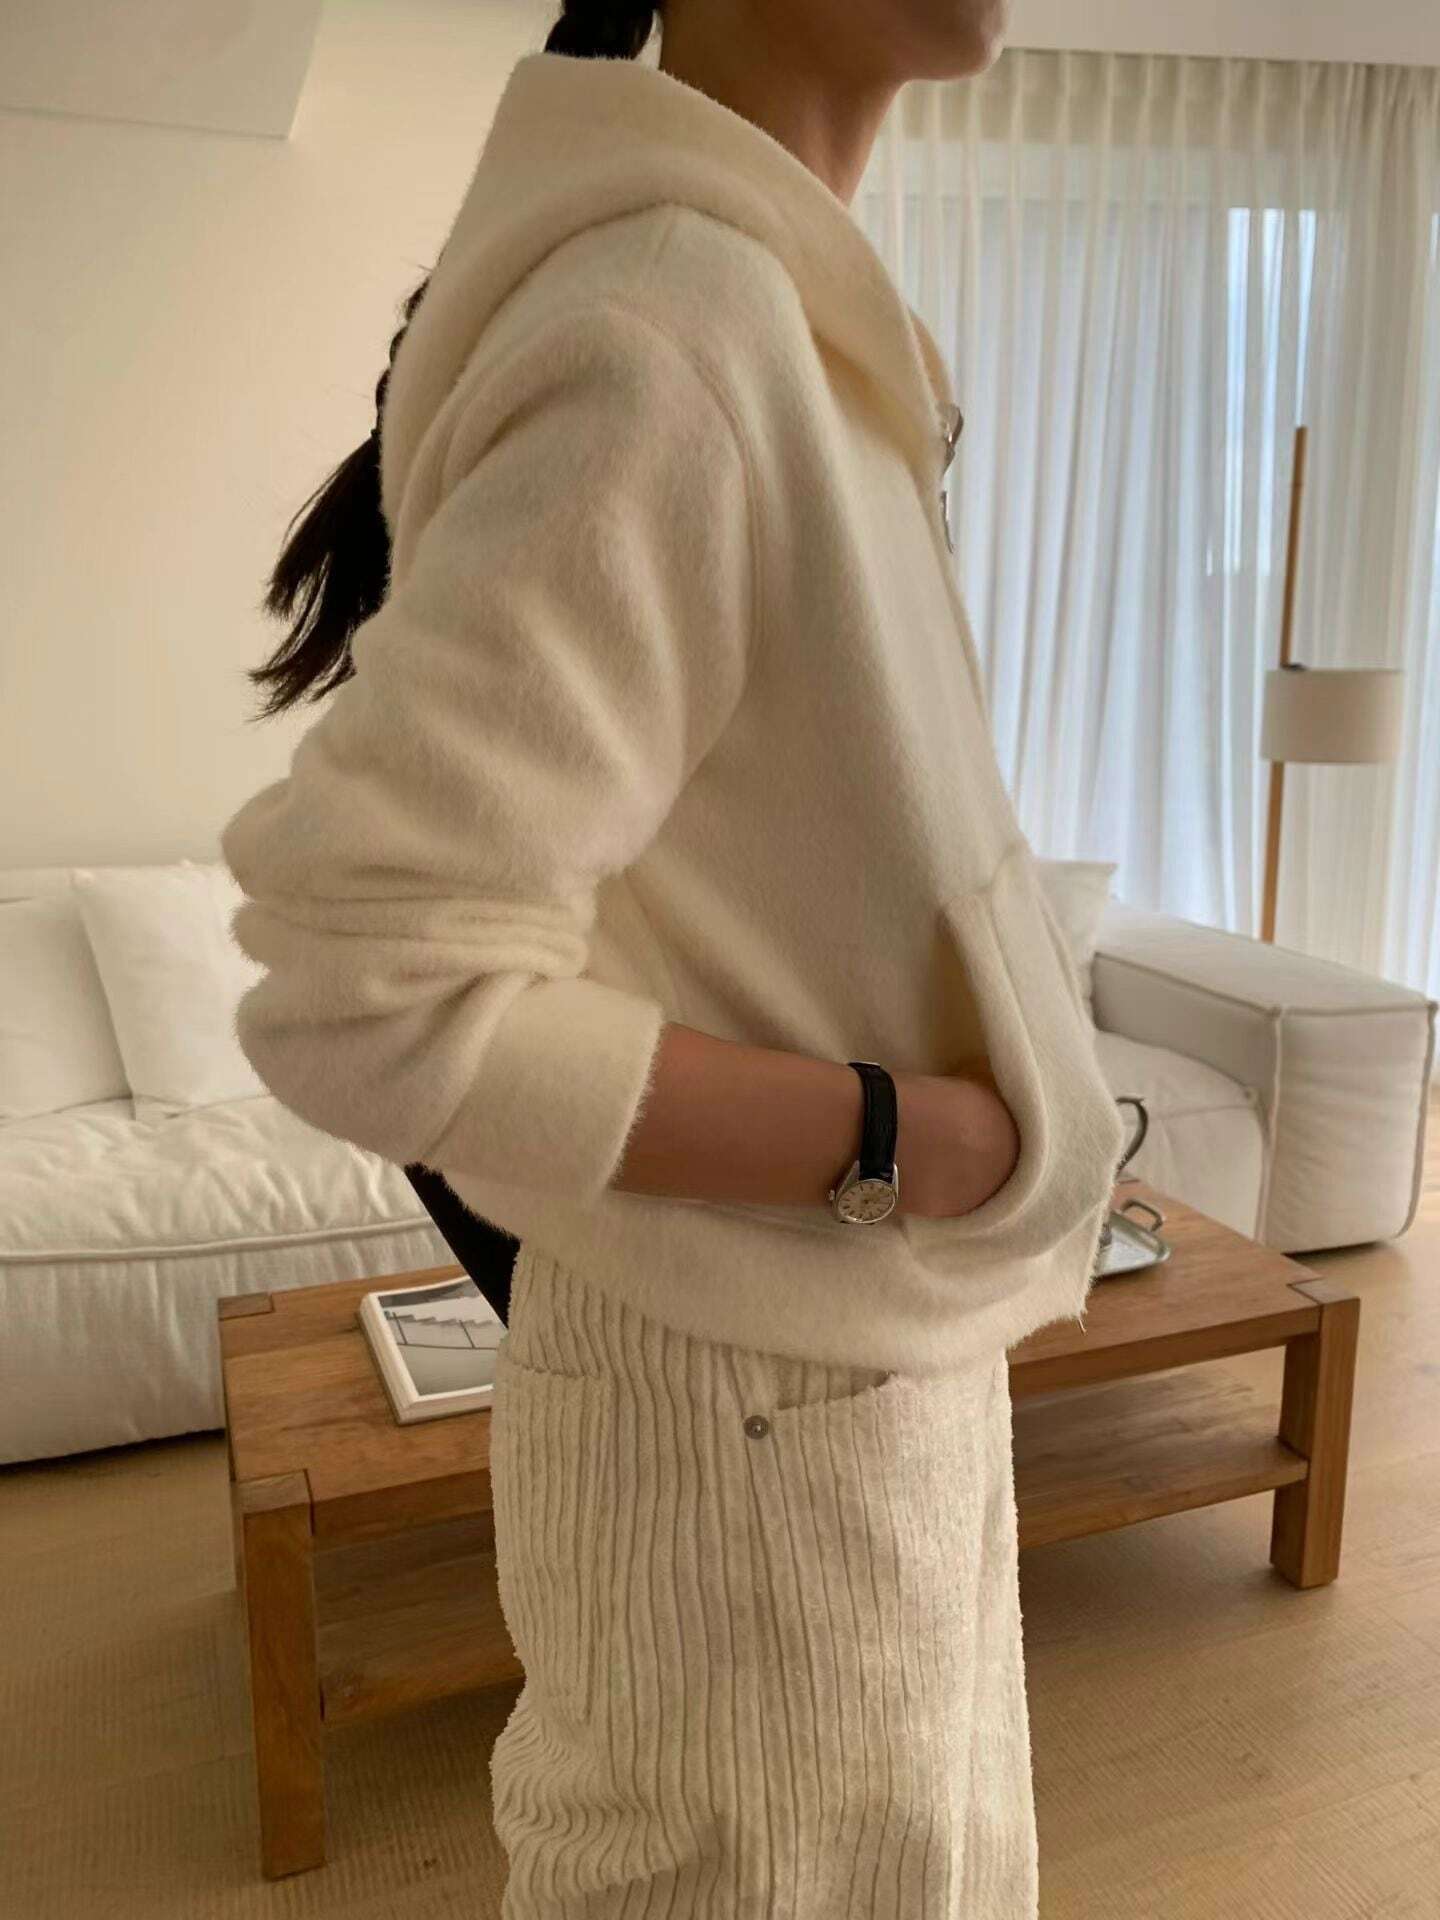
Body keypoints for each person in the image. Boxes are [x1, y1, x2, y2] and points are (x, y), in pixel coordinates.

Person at [220, 1, 1127, 1912]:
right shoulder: (675, 324)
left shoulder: (787, 329)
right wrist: (905, 1138)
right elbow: (369, 988)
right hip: (757, 1395)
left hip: (842, 1368)